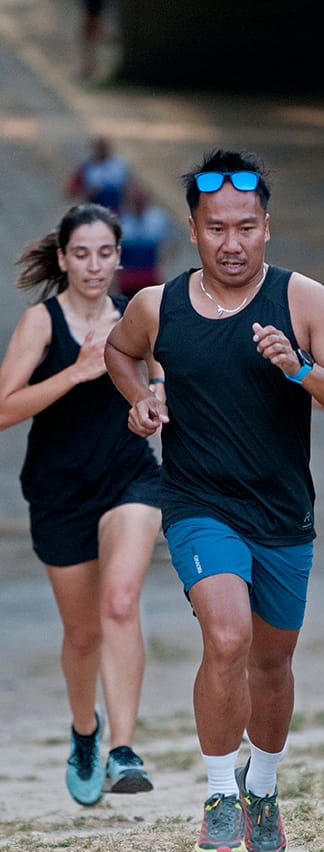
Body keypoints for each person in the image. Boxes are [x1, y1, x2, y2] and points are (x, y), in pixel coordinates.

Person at [104, 149, 324, 852]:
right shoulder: (157, 307)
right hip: (198, 503)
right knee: (227, 638)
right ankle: (220, 791)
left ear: (267, 227)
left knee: (272, 666)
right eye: (216, 227)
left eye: (246, 227)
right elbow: (119, 353)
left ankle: (263, 787)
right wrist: (144, 400)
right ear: (192, 230)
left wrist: (300, 366)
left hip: (284, 512)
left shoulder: (303, 299)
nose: (232, 242)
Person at [0, 204, 163, 807]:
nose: (94, 265)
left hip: (130, 480)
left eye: (105, 253)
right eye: (81, 253)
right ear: (64, 258)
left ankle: (124, 749)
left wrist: (155, 401)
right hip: (59, 492)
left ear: (120, 257)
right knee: (82, 633)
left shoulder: (138, 315)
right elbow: (3, 408)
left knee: (121, 601)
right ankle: (85, 732)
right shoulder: (41, 324)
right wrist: (74, 372)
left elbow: (161, 377)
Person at [116, 182, 177, 298]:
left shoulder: (157, 219)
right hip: (128, 277)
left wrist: (165, 255)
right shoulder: (121, 221)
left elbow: (171, 243)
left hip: (149, 274)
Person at [65, 136, 130, 213]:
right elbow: (70, 191)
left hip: (117, 211)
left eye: (103, 147)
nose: (101, 150)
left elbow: (132, 188)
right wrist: (86, 192)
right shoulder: (87, 168)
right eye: (99, 148)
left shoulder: (119, 166)